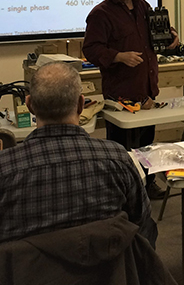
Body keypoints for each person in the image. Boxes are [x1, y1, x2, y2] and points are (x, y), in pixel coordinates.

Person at [0, 62, 157, 247]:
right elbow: (143, 226)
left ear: (30, 106)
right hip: (110, 273)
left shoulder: (5, 168)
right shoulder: (118, 158)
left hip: (29, 274)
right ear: (81, 104)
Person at [82, 0, 179, 199]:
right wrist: (118, 56)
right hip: (121, 92)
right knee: (121, 147)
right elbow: (91, 49)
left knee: (147, 141)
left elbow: (159, 35)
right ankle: (123, 191)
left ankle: (147, 184)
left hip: (146, 88)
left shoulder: (143, 6)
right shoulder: (100, 14)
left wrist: (171, 37)